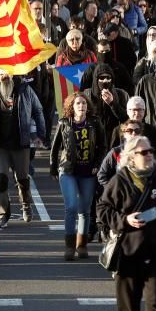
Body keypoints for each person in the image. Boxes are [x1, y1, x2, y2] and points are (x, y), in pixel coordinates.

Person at [97, 134, 156, 311]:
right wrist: (125, 220)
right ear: (131, 156)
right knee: (128, 308)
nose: (149, 155)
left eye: (150, 151)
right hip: (127, 254)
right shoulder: (119, 181)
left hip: (155, 251)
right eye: (144, 152)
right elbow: (102, 209)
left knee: (155, 301)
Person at [0, 68, 43, 228]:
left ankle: (26, 205)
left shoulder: (25, 89)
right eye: (1, 72)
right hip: (0, 145)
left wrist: (39, 134)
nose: (4, 76)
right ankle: (3, 214)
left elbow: (38, 110)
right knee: (1, 180)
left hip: (20, 143)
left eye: (7, 72)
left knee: (23, 179)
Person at [50, 91, 106, 260]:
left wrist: (97, 164)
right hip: (68, 171)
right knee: (71, 207)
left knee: (85, 210)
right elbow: (55, 147)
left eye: (84, 103)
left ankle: (81, 245)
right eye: (78, 104)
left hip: (88, 172)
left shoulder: (95, 123)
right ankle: (69, 246)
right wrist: (53, 167)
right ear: (71, 107)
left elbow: (102, 147)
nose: (81, 106)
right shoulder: (64, 123)